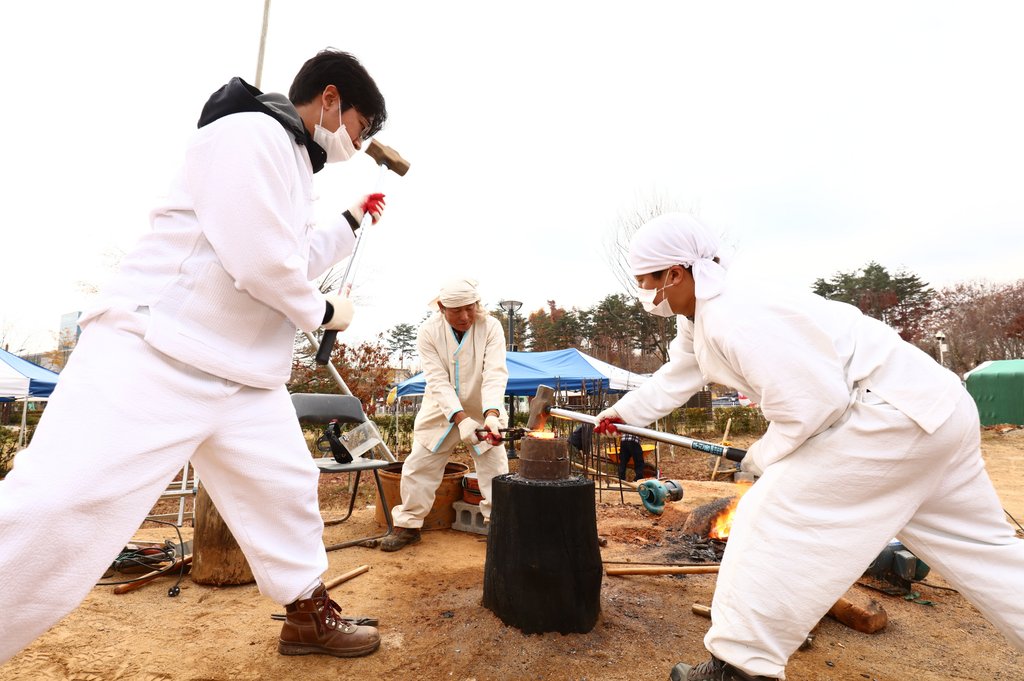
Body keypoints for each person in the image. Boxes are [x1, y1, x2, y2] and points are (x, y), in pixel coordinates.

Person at [0, 49, 391, 665]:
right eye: (360, 129)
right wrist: (320, 313)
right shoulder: (248, 131)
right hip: (157, 350)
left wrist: (347, 223)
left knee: (284, 487)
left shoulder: (293, 163)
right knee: (61, 504)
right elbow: (260, 261)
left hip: (242, 374)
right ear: (331, 99)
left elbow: (283, 253)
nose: (357, 144)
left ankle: (306, 618)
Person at [593, 213, 1024, 680]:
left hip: (890, 418)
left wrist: (760, 456)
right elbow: (682, 372)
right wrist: (625, 413)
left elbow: (812, 405)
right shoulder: (707, 311)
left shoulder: (736, 315)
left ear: (675, 273)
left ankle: (739, 669)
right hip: (936, 410)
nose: (646, 298)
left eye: (647, 283)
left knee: (770, 518)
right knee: (984, 550)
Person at [380, 278, 510, 552]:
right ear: (441, 307)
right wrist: (460, 419)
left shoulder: (491, 327)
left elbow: (495, 373)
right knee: (419, 464)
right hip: (441, 410)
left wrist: (491, 415)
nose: (464, 316)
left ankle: (500, 527)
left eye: (469, 308)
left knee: (494, 467)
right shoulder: (429, 331)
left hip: (483, 407)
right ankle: (409, 526)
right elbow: (437, 381)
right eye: (456, 310)